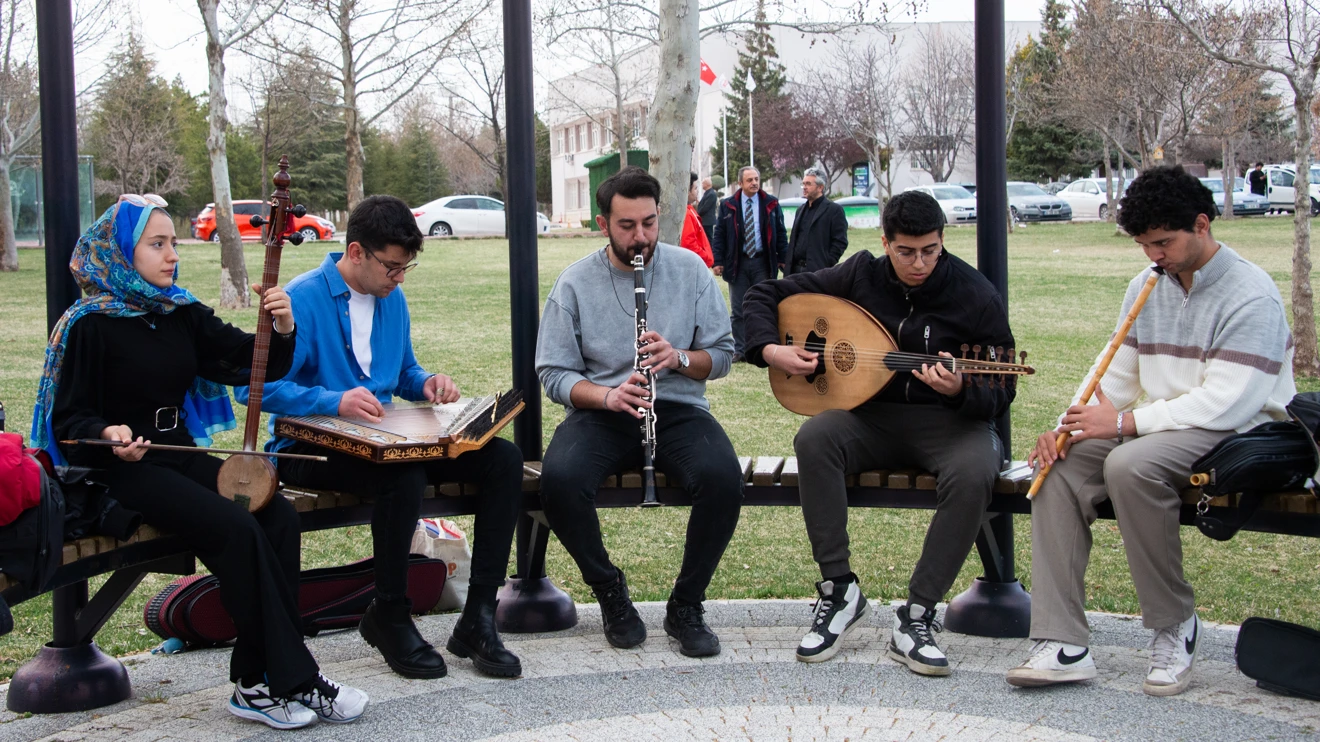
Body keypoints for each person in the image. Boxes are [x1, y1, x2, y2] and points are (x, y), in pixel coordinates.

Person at [33, 194, 368, 730]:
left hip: (180, 453)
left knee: (275, 515)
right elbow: (69, 425)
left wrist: (281, 328)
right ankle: (295, 681)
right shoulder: (89, 324)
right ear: (123, 252)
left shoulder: (180, 311)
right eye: (157, 244)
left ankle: (256, 682)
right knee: (234, 527)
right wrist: (107, 433)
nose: (172, 256)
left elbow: (251, 364)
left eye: (173, 244)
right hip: (124, 472)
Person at [1007, 165, 1295, 697]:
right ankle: (1062, 642)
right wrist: (1064, 428)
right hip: (1164, 424)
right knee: (1060, 466)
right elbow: (1115, 374)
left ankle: (1174, 624)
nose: (1153, 256)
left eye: (1163, 242)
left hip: (1239, 432)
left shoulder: (1253, 294)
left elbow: (1227, 401)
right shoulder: (1148, 284)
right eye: (1144, 245)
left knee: (1130, 463)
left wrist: (1122, 424)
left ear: (1202, 224)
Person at [243, 195, 523, 682]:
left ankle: (478, 616)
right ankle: (389, 614)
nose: (399, 278)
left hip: (387, 441)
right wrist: (334, 401)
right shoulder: (303, 297)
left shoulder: (393, 299)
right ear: (356, 253)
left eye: (405, 268)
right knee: (403, 474)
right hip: (306, 450)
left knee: (502, 458)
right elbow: (260, 389)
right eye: (392, 268)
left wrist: (429, 382)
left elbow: (404, 372)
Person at [741, 190, 1015, 676]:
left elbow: (1002, 386)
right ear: (885, 242)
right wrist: (768, 349)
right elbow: (765, 293)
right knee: (815, 439)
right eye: (906, 251)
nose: (919, 263)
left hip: (950, 424)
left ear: (942, 240)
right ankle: (839, 590)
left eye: (930, 250)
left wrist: (959, 389)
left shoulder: (974, 294)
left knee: (974, 472)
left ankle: (917, 614)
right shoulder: (859, 273)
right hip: (871, 418)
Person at [536, 166, 743, 658]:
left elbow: (724, 354)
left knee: (723, 479)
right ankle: (609, 591)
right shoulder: (574, 283)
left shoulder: (690, 270)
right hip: (602, 410)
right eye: (627, 225)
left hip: (676, 406)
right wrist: (606, 396)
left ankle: (686, 604)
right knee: (559, 481)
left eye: (648, 223)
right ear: (604, 222)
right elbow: (553, 373)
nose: (640, 237)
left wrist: (680, 359)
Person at [712, 166, 788, 362]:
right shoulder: (728, 205)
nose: (754, 183)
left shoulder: (770, 203)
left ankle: (764, 346)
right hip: (738, 263)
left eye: (756, 179)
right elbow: (719, 234)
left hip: (763, 262)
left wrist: (783, 259)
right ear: (740, 183)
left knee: (764, 304)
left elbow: (780, 232)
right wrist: (718, 261)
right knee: (738, 309)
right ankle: (741, 349)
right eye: (750, 180)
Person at [785, 168, 848, 275]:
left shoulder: (834, 210)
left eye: (808, 184)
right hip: (794, 272)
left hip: (817, 272)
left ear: (820, 187)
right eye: (803, 184)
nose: (804, 187)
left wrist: (827, 263)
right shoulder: (800, 210)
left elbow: (840, 241)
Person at [680, 172, 714, 268]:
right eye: (695, 188)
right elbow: (689, 243)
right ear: (687, 191)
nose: (697, 191)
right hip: (695, 265)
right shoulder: (686, 213)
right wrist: (706, 257)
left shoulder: (689, 210)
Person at [697, 176, 719, 244]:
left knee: (709, 238)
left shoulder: (711, 194)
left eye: (703, 183)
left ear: (707, 184)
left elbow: (706, 207)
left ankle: (711, 252)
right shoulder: (707, 193)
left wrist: (697, 213)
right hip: (705, 220)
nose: (702, 185)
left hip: (707, 221)